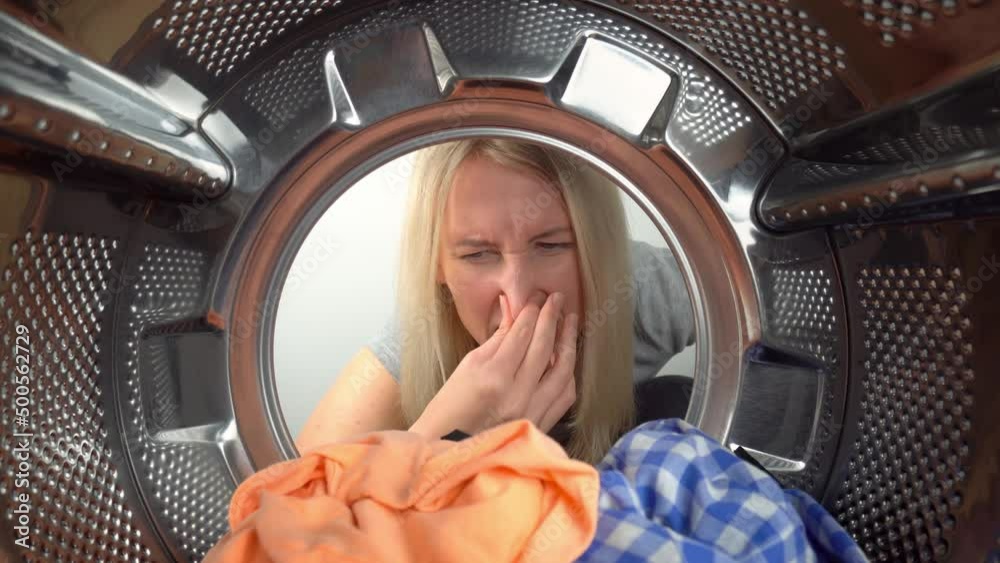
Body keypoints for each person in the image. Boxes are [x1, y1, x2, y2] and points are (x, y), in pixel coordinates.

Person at [296, 138, 694, 464]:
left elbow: (751, 295)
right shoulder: (423, 330)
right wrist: (442, 443)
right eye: (477, 255)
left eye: (551, 246)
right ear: (438, 268)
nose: (519, 301)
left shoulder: (640, 287)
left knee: (675, 396)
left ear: (599, 248)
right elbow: (291, 516)